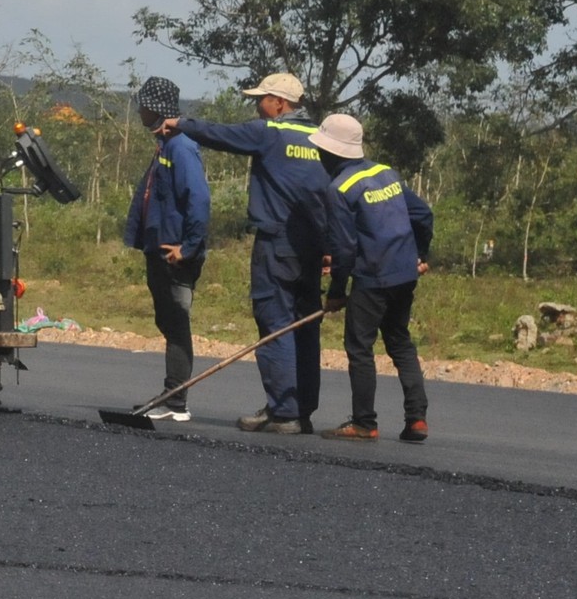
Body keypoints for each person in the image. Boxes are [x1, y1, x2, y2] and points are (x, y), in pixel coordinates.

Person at [159, 71, 328, 435]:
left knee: (275, 323)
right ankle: (301, 409)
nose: (256, 105)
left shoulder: (271, 133)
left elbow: (222, 134)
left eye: (261, 99)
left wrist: (181, 123)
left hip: (277, 243)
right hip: (315, 246)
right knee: (304, 325)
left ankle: (283, 411)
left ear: (279, 103)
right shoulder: (322, 139)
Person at [312, 113, 432, 444]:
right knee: (400, 342)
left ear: (331, 152)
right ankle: (417, 419)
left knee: (359, 346)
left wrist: (336, 292)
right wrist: (420, 256)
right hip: (404, 275)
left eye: (321, 150)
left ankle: (364, 422)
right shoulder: (386, 173)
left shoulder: (339, 188)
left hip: (373, 277)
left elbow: (344, 249)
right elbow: (423, 215)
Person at [123, 78, 210, 421]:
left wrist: (187, 248)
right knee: (168, 321)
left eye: (143, 105)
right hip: (159, 250)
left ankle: (175, 401)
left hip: (175, 255)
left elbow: (198, 200)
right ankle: (172, 395)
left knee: (176, 324)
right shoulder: (165, 145)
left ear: (156, 108)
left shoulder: (181, 147)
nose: (139, 111)